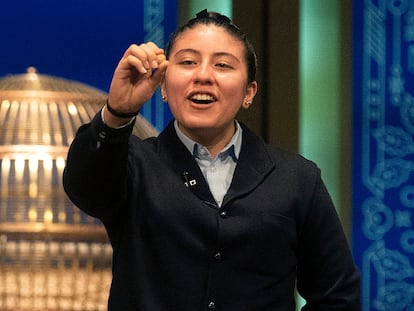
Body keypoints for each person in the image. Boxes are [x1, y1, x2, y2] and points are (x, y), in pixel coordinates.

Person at [63, 9, 360, 310]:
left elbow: (338, 295)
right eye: (188, 62)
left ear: (249, 92)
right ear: (164, 86)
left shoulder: (297, 178)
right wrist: (117, 111)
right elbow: (83, 187)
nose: (203, 75)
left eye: (222, 65)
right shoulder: (133, 163)